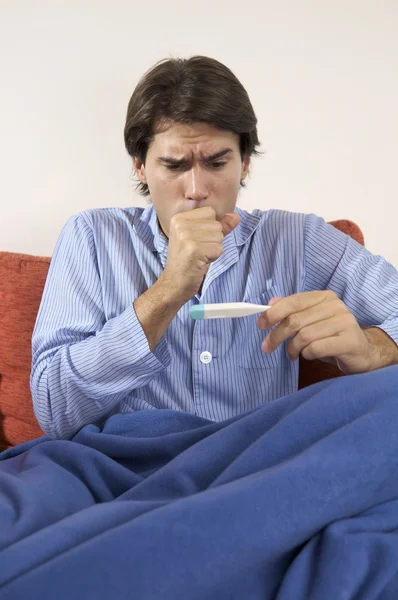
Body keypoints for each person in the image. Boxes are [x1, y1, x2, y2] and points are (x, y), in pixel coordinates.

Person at [30, 56, 398, 440]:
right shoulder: (91, 236)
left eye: (217, 163)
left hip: (249, 466)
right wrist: (170, 289)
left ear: (245, 164)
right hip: (130, 466)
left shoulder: (298, 238)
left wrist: (375, 349)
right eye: (173, 166)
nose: (195, 191)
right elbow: (55, 412)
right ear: (140, 166)